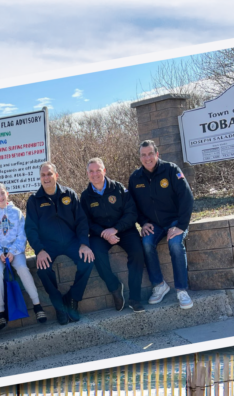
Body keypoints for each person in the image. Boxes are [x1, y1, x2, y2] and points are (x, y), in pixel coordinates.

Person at [23, 162, 95, 323]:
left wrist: (84, 243)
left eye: (49, 174)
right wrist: (39, 250)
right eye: (43, 175)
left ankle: (72, 299)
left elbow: (82, 221)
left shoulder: (69, 194)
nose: (46, 178)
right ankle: (59, 305)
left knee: (87, 260)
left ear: (56, 175)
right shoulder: (34, 200)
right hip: (48, 246)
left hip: (72, 241)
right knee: (43, 269)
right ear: (40, 178)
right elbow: (31, 229)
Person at [129, 138, 194, 309]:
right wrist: (143, 223)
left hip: (175, 221)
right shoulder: (135, 178)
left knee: (174, 244)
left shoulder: (171, 170)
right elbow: (132, 206)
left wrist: (181, 225)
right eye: (143, 155)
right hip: (153, 224)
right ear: (140, 158)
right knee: (146, 243)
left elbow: (187, 198)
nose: (147, 158)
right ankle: (159, 285)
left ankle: (181, 290)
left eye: (151, 153)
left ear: (157, 154)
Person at [80, 156, 147, 311]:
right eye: (91, 171)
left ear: (104, 171)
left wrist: (115, 229)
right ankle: (114, 287)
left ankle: (135, 299)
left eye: (98, 170)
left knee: (137, 252)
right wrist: (104, 232)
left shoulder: (118, 188)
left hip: (124, 230)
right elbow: (86, 222)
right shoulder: (85, 196)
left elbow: (131, 213)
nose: (95, 174)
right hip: (100, 234)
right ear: (87, 174)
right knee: (95, 253)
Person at [0, 184, 47, 324]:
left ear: (7, 194)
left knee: (22, 268)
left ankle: (37, 305)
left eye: (2, 193)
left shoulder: (16, 212)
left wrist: (12, 252)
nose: (0, 197)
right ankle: (1, 311)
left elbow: (22, 235)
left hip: (15, 251)